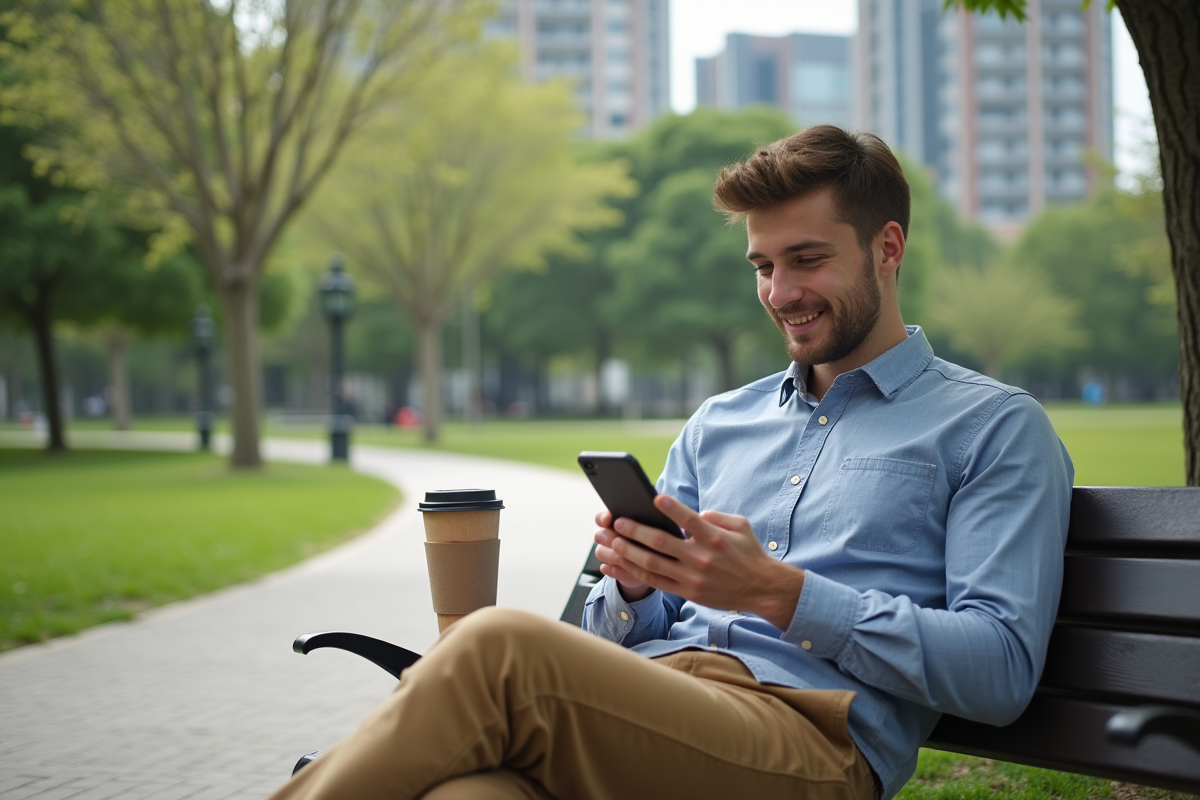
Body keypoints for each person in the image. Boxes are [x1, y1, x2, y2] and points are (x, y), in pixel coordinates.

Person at [266, 125, 1073, 800]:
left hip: (811, 743)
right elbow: (599, 636)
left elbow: (1001, 671)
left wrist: (780, 593)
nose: (779, 292)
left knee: (495, 644)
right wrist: (633, 587)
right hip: (649, 712)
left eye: (806, 259)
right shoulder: (721, 423)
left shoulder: (991, 428)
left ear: (886, 247)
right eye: (763, 266)